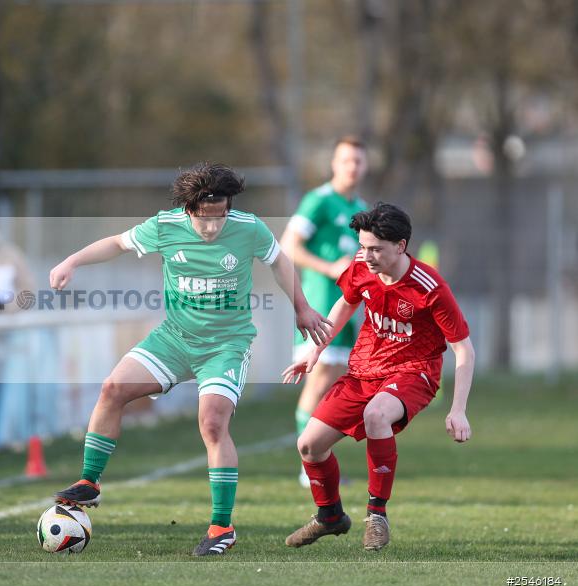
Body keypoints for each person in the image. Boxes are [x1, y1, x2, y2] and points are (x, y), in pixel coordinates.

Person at [49, 162, 332, 556]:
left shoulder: (248, 228)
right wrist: (71, 261)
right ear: (188, 209)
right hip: (175, 339)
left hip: (226, 345)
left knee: (212, 422)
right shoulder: (165, 226)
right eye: (205, 220)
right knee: (113, 389)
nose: (213, 228)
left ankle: (222, 527)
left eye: (221, 217)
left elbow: (280, 261)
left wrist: (301, 307)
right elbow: (116, 242)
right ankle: (90, 483)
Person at [282, 202, 475, 551]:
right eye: (362, 246)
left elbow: (464, 350)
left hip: (414, 372)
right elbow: (346, 302)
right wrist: (317, 349)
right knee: (308, 445)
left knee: (376, 415)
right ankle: (330, 516)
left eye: (376, 249)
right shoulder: (361, 265)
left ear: (401, 246)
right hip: (365, 369)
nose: (366, 256)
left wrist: (458, 409)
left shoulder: (429, 286)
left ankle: (376, 515)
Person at [279, 135, 369, 487]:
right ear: (334, 163)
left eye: (359, 161)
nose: (352, 166)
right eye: (346, 160)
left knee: (334, 385)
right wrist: (331, 268)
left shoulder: (359, 207)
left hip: (347, 310)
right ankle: (308, 465)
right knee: (319, 378)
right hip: (318, 305)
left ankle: (316, 458)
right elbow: (289, 247)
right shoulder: (318, 201)